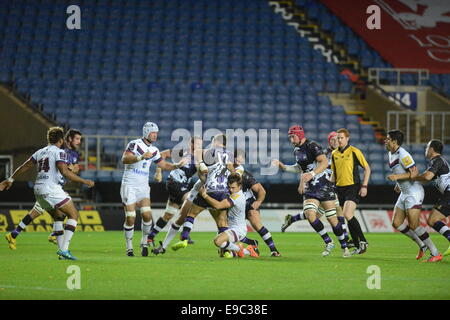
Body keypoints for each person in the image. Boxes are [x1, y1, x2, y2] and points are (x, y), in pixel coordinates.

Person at [1, 127, 94, 260]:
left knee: (58, 217)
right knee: (73, 214)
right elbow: (64, 172)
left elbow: (25, 166)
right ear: (61, 140)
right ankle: (65, 250)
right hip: (51, 188)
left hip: (38, 189)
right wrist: (84, 181)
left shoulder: (40, 152)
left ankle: (62, 253)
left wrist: (10, 179)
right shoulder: (59, 152)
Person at [273, 126, 349, 257]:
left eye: (293, 136)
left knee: (333, 220)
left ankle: (344, 247)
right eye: (290, 137)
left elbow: (324, 162)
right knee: (310, 214)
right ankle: (328, 241)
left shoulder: (312, 145)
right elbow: (299, 168)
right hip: (311, 189)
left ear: (300, 135)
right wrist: (283, 167)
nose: (291, 139)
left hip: (325, 186)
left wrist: (312, 174)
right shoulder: (296, 150)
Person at [121, 122, 186, 257]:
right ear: (146, 133)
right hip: (129, 185)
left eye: (156, 133)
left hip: (143, 186)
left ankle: (144, 242)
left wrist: (176, 166)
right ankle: (129, 247)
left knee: (146, 214)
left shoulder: (155, 150)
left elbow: (162, 164)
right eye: (153, 133)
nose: (155, 135)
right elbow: (125, 159)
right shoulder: (135, 144)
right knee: (131, 217)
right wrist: (140, 157)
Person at [172, 134, 235, 251]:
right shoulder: (230, 154)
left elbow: (198, 155)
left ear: (216, 141)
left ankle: (184, 239)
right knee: (222, 221)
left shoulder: (211, 151)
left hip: (209, 189)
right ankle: (226, 251)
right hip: (223, 193)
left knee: (191, 214)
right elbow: (233, 173)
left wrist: (200, 166)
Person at [146, 137, 202, 246]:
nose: (200, 147)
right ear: (190, 144)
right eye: (198, 144)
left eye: (201, 145)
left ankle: (150, 237)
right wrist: (159, 172)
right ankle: (185, 234)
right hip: (174, 183)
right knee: (191, 201)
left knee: (168, 215)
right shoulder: (181, 151)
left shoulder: (198, 158)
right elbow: (161, 155)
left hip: (182, 186)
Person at [384, 130, 429, 260]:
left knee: (414, 225)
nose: (385, 141)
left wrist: (397, 177)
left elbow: (414, 173)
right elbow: (401, 170)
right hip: (404, 191)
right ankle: (422, 245)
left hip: (413, 191)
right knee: (396, 223)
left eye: (388, 139)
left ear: (394, 141)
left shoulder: (403, 154)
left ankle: (434, 250)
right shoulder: (390, 152)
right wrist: (399, 183)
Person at [199, 173, 259, 258]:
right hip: (230, 228)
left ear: (240, 186)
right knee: (223, 254)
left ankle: (243, 250)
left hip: (238, 230)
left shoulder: (237, 197)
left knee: (217, 241)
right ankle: (244, 251)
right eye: (229, 187)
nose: (231, 190)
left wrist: (204, 195)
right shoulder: (233, 193)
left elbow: (218, 205)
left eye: (233, 188)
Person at [233, 149, 281, 256]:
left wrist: (258, 201)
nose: (238, 159)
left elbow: (261, 190)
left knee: (256, 225)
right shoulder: (227, 174)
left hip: (248, 203)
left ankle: (274, 250)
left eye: (241, 157)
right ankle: (252, 244)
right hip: (235, 205)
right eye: (237, 157)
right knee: (231, 229)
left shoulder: (245, 175)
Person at [331, 128, 370, 255]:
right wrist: (329, 187)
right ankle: (358, 246)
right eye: (338, 138)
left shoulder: (354, 151)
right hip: (339, 188)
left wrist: (364, 186)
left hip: (353, 186)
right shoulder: (334, 154)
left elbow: (367, 168)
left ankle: (363, 241)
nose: (339, 140)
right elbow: (334, 174)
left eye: (341, 137)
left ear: (347, 138)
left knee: (347, 214)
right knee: (349, 217)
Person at [411, 139, 449, 261]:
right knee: (432, 220)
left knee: (432, 220)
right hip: (447, 194)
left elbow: (427, 176)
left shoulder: (437, 160)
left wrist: (412, 178)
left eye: (427, 147)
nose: (425, 150)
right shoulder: (438, 161)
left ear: (432, 149)